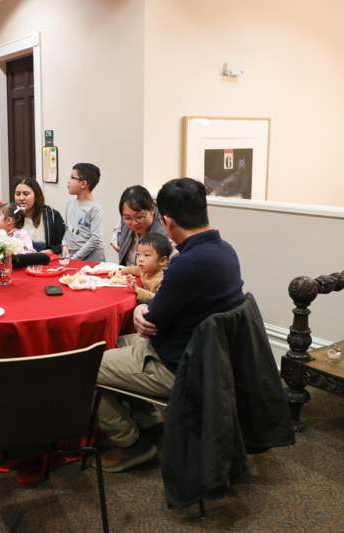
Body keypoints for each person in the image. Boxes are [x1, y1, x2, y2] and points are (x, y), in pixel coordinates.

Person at [97, 177, 244, 473]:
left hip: (178, 364)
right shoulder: (226, 251)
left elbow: (151, 322)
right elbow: (164, 311)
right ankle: (147, 419)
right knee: (114, 339)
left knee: (82, 364)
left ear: (166, 220)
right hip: (210, 358)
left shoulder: (185, 263)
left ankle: (129, 442)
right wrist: (146, 310)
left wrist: (142, 311)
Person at [62, 163, 105, 262]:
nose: (68, 181)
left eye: (72, 178)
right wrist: (64, 244)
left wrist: (77, 257)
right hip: (73, 255)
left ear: (83, 184)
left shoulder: (95, 208)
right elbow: (67, 228)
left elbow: (95, 239)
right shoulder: (69, 204)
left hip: (92, 257)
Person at [116, 185, 167, 266]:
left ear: (152, 210)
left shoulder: (164, 230)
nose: (134, 223)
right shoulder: (124, 221)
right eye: (128, 218)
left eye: (139, 217)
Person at [13, 177, 66, 254]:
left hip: (45, 260)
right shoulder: (12, 215)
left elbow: (63, 242)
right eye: (17, 194)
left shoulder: (51, 215)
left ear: (36, 196)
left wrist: (52, 250)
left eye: (26, 194)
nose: (21, 198)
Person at [115, 233, 171, 303]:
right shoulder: (145, 270)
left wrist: (137, 289)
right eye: (138, 254)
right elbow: (134, 269)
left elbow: (158, 300)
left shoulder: (161, 281)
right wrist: (120, 271)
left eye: (146, 255)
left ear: (162, 260)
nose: (140, 259)